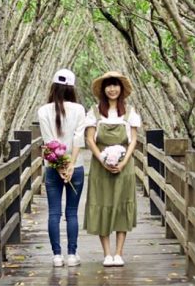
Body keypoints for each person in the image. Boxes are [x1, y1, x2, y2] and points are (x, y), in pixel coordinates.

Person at [83, 71, 141, 267]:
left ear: (121, 88)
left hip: (125, 166)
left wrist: (123, 162)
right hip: (101, 167)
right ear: (103, 90)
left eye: (115, 85)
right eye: (108, 85)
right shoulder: (94, 112)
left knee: (121, 204)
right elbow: (90, 139)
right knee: (103, 204)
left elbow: (133, 140)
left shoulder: (130, 112)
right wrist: (103, 159)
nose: (112, 89)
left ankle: (119, 253)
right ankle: (107, 253)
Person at [38, 68, 86, 267]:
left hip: (52, 168)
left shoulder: (43, 111)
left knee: (54, 212)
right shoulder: (79, 109)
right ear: (71, 88)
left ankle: (57, 256)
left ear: (53, 87)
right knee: (72, 212)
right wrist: (71, 165)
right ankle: (72, 255)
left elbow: (49, 142)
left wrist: (59, 167)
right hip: (76, 168)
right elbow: (78, 139)